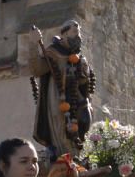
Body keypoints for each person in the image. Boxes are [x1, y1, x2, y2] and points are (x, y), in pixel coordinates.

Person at [29, 19, 97, 160]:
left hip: (77, 101)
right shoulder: (53, 52)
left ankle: (78, 155)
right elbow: (37, 69)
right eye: (74, 33)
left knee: (84, 121)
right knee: (61, 130)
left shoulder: (80, 57)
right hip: (57, 100)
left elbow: (85, 82)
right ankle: (63, 158)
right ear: (65, 34)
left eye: (79, 34)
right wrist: (34, 44)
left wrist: (83, 70)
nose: (78, 37)